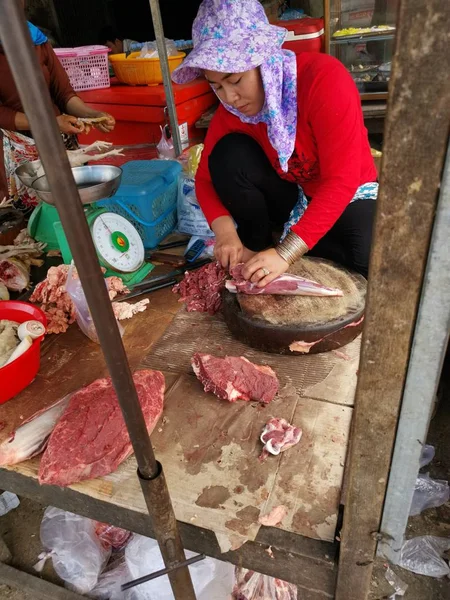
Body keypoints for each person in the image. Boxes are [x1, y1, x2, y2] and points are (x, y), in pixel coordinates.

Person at [172, 0, 378, 283]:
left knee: (366, 262)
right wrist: (225, 234)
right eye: (216, 86)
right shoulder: (232, 111)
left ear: (264, 60)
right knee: (228, 155)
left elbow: (341, 180)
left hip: (351, 191)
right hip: (297, 193)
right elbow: (205, 179)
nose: (230, 97)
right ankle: (256, 245)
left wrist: (286, 253)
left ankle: (282, 248)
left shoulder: (324, 80)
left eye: (235, 80)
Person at [0, 16, 116, 212]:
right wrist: (50, 123)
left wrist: (92, 114)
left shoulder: (36, 40)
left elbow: (64, 94)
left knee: (75, 209)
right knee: (31, 218)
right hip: (15, 153)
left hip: (58, 144)